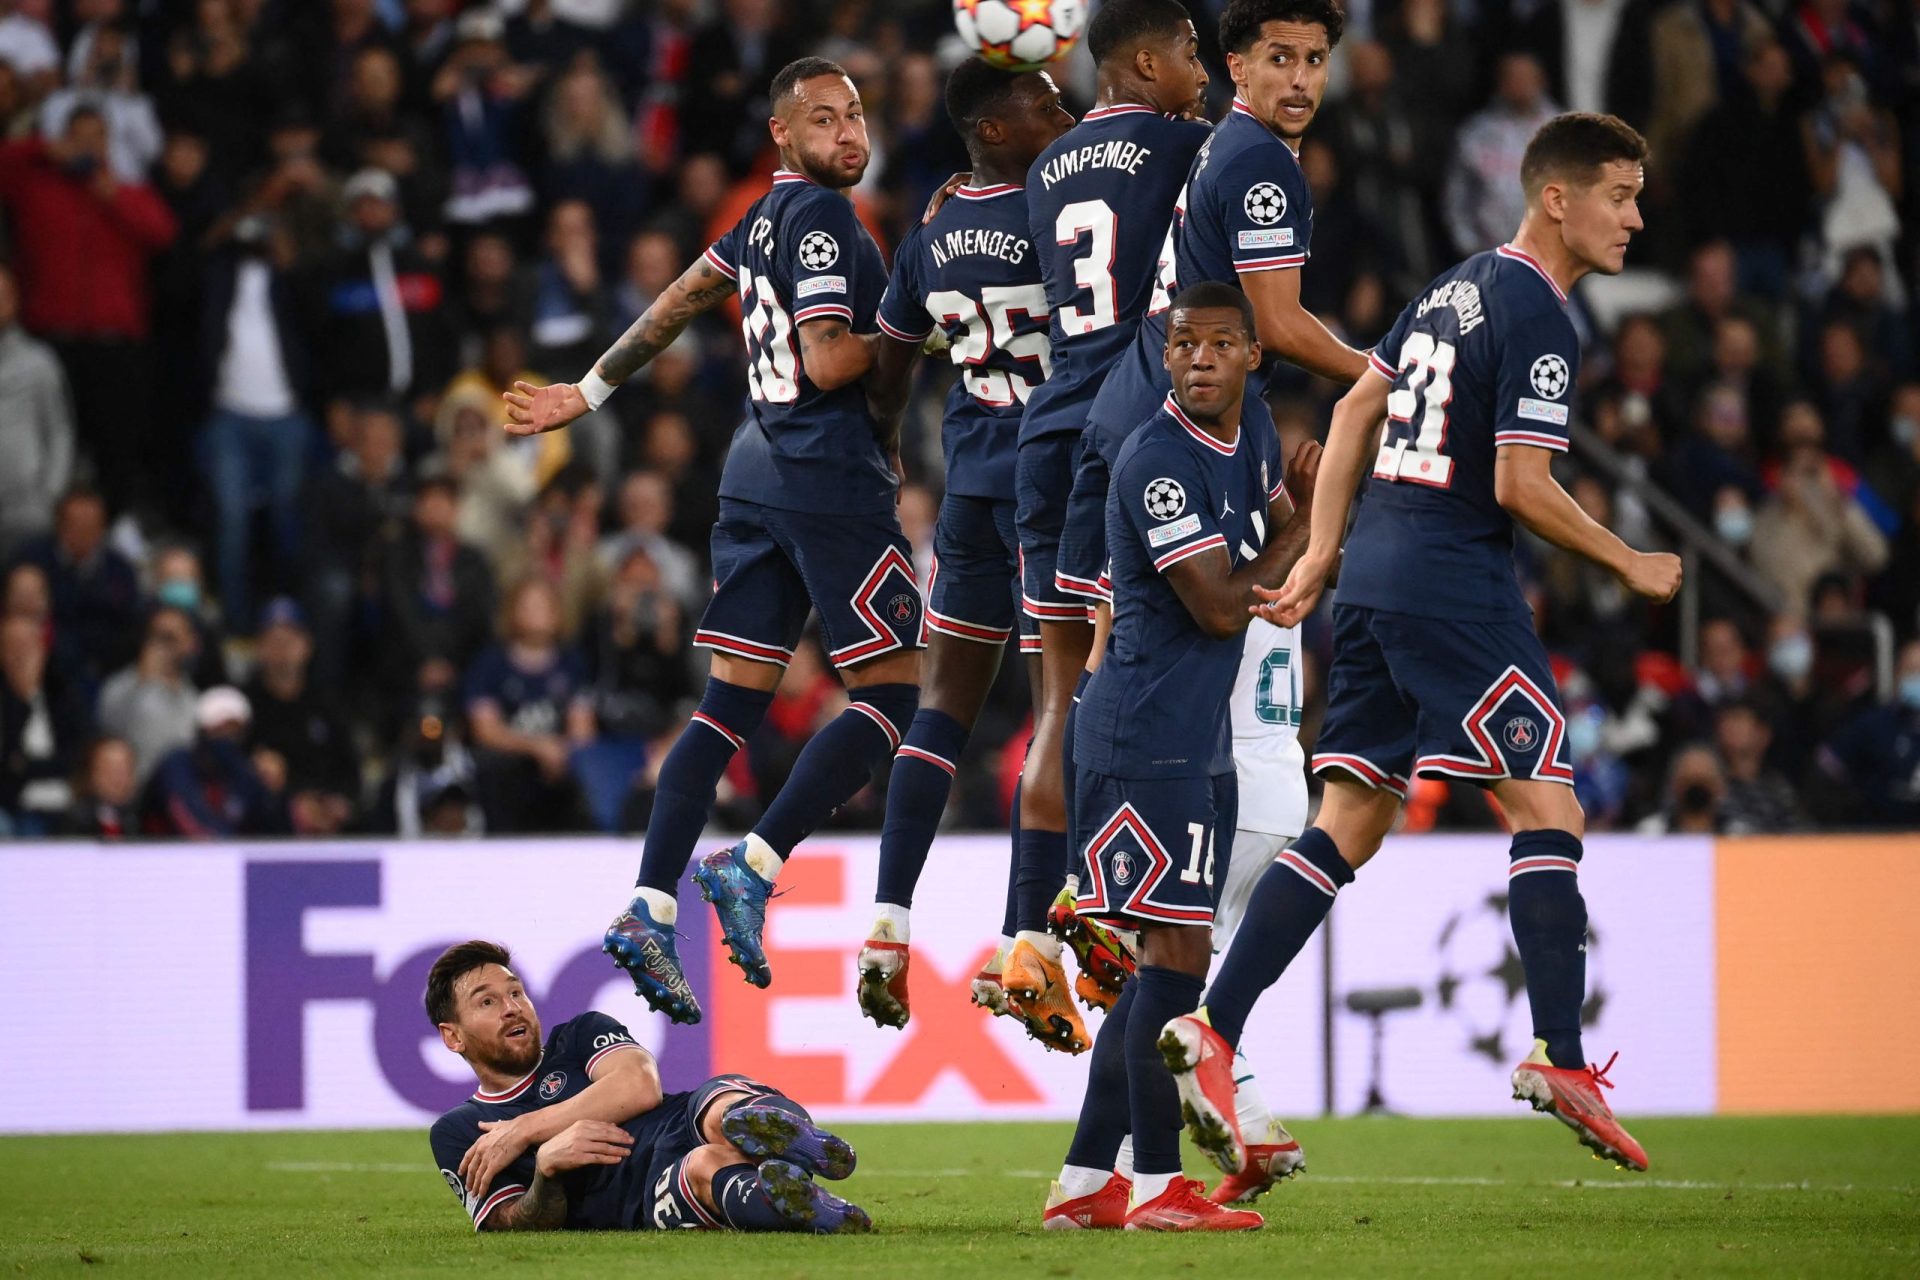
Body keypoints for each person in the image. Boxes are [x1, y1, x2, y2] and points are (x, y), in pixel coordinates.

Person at [1166, 114, 1683, 1181]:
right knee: (1548, 800)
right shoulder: (1540, 313)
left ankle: (1212, 1024)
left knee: (1350, 817)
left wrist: (1323, 553)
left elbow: (1359, 401)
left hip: (1374, 586)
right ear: (1557, 198)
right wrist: (1627, 557)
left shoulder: (1451, 288)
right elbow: (1519, 485)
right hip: (1453, 585)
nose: (1635, 216)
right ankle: (1562, 1053)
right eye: (1620, 194)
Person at [505, 58, 921, 1026]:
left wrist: (590, 387)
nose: (848, 133)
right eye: (823, 119)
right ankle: (756, 859)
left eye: (856, 115)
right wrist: (919, 322)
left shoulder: (758, 221)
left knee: (727, 706)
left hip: (751, 469)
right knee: (897, 693)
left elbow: (684, 297)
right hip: (824, 474)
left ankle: (651, 903)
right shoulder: (822, 218)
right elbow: (828, 359)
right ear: (781, 134)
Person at [1040, 283, 1310, 1232]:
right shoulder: (1156, 460)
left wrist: (1296, 521)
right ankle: (1155, 1186)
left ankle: (1084, 1185)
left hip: (1199, 746)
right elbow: (1220, 602)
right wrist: (1304, 527)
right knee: (1171, 966)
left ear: (1252, 358)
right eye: (1182, 344)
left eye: (1218, 345)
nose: (1196, 359)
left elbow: (1282, 520)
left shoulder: (1258, 433)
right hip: (1140, 739)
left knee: (1167, 964)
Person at [1001, 0, 1213, 1054]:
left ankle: (1024, 935)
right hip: (1126, 433)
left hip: (1047, 425)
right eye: (1188, 53)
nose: (1203, 71)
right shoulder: (1187, 146)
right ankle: (1096, 887)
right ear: (1140, 61)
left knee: (1057, 695)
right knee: (1131, 679)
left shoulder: (1043, 172)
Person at [851, 58, 1073, 1031]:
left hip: (970, 478)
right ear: (992, 128)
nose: (1063, 115)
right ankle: (1025, 938)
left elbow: (892, 364)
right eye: (1046, 105)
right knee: (1059, 700)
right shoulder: (1060, 215)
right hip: (1052, 482)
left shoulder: (930, 231)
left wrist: (890, 443)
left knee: (942, 705)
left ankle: (888, 919)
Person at [425, 939, 871, 1234]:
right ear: (453, 1036)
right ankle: (808, 1205)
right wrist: (546, 1171)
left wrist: (526, 1129)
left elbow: (639, 1087)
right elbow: (507, 1223)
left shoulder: (579, 1034)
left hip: (677, 1118)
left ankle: (792, 1144)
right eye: (487, 1001)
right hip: (640, 1191)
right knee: (704, 1166)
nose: (511, 1008)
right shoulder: (459, 1131)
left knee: (723, 1112)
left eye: (516, 993)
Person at [0, 260, 74, 560]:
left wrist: (50, 495)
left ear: (15, 301)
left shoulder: (38, 362)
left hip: (27, 509)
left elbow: (59, 431)